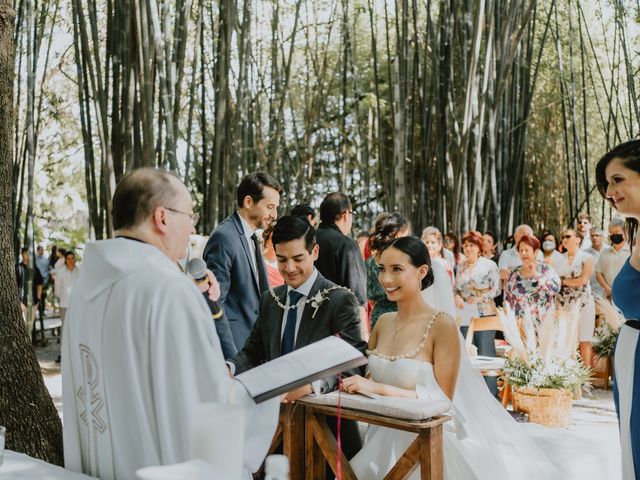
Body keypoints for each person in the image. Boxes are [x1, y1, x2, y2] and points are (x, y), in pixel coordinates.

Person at [62, 168, 280, 480]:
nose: (192, 227)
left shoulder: (86, 286)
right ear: (162, 218)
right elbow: (206, 402)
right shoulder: (167, 289)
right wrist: (265, 393)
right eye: (189, 216)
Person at [342, 236, 618, 480]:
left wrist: (375, 388)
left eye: (397, 269)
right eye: (382, 270)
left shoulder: (442, 325)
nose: (386, 279)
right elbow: (369, 380)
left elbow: (441, 400)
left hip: (425, 445)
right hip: (379, 444)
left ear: (422, 271)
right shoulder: (383, 322)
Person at [229, 215, 367, 459]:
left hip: (326, 436)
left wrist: (310, 387)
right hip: (276, 431)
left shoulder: (340, 300)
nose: (289, 268)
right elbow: (252, 352)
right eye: (281, 259)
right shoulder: (270, 300)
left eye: (297, 258)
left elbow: (353, 366)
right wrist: (229, 368)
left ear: (314, 252)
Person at [595, 139, 640, 480]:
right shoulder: (637, 233)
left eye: (618, 179)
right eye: (607, 183)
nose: (609, 191)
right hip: (631, 352)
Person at [203, 172, 282, 358]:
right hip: (234, 349)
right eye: (270, 207)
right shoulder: (224, 237)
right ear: (248, 202)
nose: (274, 215)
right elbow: (214, 304)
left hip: (254, 347)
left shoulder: (253, 238)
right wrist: (231, 359)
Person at [314, 192, 368, 338]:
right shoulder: (346, 245)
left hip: (307, 324)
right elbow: (358, 294)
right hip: (340, 328)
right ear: (345, 215)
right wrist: (363, 335)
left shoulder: (308, 240)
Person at [454, 231, 501, 395]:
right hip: (465, 314)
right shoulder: (461, 266)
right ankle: (471, 394)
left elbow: (497, 289)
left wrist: (480, 298)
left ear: (479, 247)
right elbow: (456, 288)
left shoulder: (489, 265)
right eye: (465, 245)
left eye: (471, 245)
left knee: (485, 352)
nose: (468, 249)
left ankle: (490, 393)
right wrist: (457, 297)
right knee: (467, 353)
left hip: (484, 313)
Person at [554, 228, 595, 367]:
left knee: (585, 339)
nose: (564, 239)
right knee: (565, 339)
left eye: (568, 236)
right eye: (562, 237)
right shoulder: (559, 259)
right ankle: (568, 376)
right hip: (563, 305)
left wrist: (563, 281)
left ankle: (586, 379)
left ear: (578, 239)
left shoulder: (587, 258)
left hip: (583, 303)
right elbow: (553, 281)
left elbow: (583, 280)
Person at [366, 213, 410, 328]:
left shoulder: (369, 263)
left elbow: (369, 298)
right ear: (397, 235)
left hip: (378, 316)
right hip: (402, 315)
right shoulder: (403, 261)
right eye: (405, 235)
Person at [504, 235, 560, 324]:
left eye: (527, 250)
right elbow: (507, 299)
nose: (523, 253)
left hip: (543, 323)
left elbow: (555, 289)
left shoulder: (546, 269)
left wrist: (536, 275)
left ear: (536, 252)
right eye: (521, 250)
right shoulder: (513, 273)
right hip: (519, 324)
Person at [595, 217, 631, 301]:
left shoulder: (633, 252)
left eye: (617, 232)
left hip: (628, 297)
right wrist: (608, 289)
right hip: (608, 297)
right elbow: (598, 273)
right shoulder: (604, 253)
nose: (614, 235)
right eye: (611, 233)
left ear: (625, 233)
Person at [16, 247, 44, 341]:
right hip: (21, 302)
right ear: (22, 254)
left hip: (33, 302)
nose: (27, 255)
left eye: (29, 254)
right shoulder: (18, 267)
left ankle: (28, 349)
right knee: (22, 327)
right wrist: (19, 302)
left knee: (29, 327)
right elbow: (14, 286)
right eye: (25, 253)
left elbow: (39, 284)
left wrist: (38, 299)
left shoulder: (34, 268)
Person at [585, 228, 606, 299]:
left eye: (597, 235)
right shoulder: (585, 254)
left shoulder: (609, 251)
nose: (594, 238)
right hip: (592, 293)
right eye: (592, 236)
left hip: (609, 292)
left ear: (602, 237)